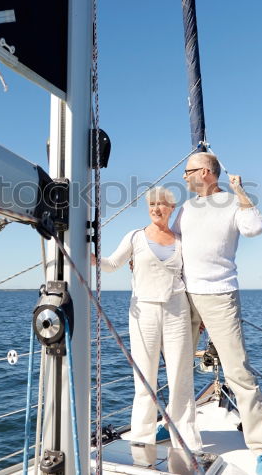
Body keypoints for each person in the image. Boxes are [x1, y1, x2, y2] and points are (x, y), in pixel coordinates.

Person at [173, 151, 262, 473]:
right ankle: (178, 427)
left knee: (239, 374)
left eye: (188, 171)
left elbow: (254, 228)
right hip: (182, 294)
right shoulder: (186, 208)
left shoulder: (233, 203)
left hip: (219, 295)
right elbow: (170, 238)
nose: (184, 177)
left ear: (205, 172)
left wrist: (242, 193)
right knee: (178, 368)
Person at [94, 186, 202, 451]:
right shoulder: (134, 238)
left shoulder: (181, 240)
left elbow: (192, 278)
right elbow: (110, 265)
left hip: (178, 312)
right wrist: (86, 254)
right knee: (144, 379)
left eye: (162, 204)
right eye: (152, 204)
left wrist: (200, 315)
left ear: (171, 209)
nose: (156, 209)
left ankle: (185, 438)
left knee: (181, 378)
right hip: (144, 314)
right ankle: (142, 439)